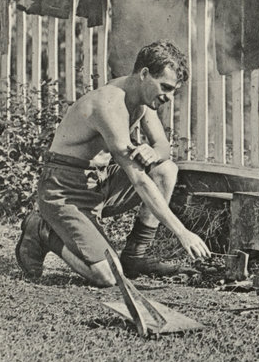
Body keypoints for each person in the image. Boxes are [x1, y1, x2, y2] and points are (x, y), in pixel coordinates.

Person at [15, 41, 211, 286]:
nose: (169, 97)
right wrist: (182, 232)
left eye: (173, 91)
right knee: (108, 277)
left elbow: (163, 147)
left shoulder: (142, 100)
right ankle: (44, 232)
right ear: (145, 74)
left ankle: (135, 255)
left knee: (166, 170)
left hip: (100, 183)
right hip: (64, 189)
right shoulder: (109, 103)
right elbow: (138, 179)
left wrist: (153, 151)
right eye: (166, 87)